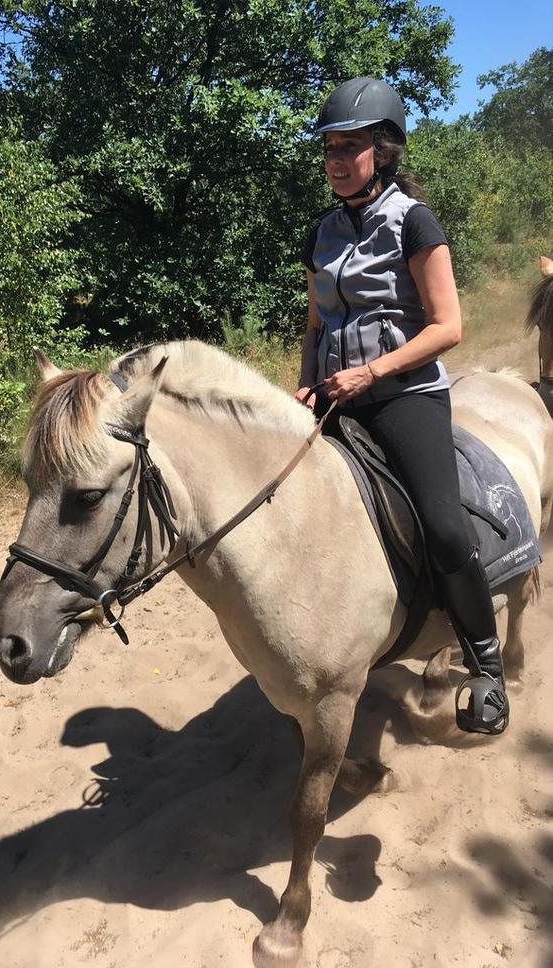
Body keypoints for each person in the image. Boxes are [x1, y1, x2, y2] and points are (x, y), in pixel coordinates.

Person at [296, 77, 509, 734]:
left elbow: (449, 327)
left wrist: (372, 372)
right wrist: (306, 384)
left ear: (383, 152)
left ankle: (486, 664)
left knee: (443, 527)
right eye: (329, 147)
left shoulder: (414, 222)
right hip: (335, 396)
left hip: (404, 395)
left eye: (350, 147)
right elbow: (315, 324)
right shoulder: (322, 233)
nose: (336, 159)